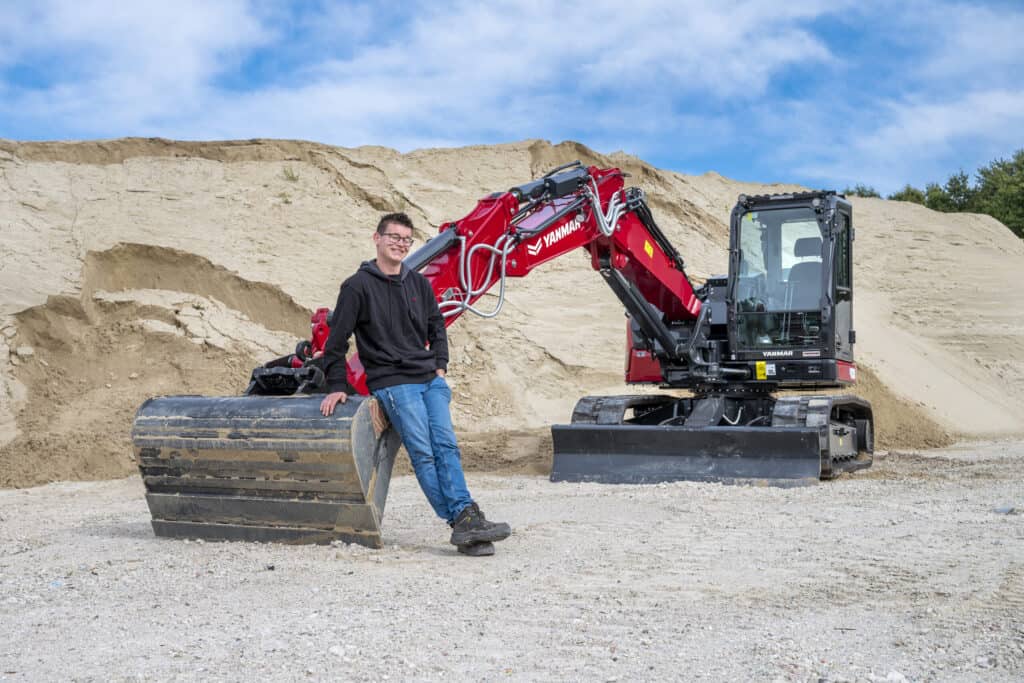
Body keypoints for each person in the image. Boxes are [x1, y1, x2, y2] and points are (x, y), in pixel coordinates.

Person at [318, 212, 511, 552]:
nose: (400, 244)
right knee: (423, 453)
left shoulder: (417, 283)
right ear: (376, 238)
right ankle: (462, 520)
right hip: (393, 383)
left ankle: (466, 518)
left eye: (406, 239)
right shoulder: (356, 287)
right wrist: (337, 385)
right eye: (393, 237)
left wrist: (440, 366)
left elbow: (437, 325)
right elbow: (336, 343)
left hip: (428, 380)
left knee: (446, 447)